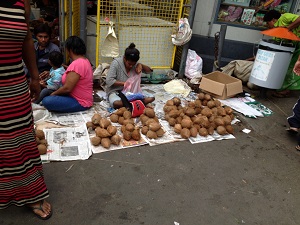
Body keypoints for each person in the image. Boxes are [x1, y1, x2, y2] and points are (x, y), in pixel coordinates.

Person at [0, 0, 52, 220]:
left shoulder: (21, 2)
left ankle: (30, 193)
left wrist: (33, 76)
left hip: (13, 86)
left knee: (18, 141)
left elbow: (26, 42)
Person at [42, 36, 93, 113]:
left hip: (80, 101)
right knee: (47, 94)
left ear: (70, 49)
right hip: (78, 98)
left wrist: (53, 94)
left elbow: (67, 88)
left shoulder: (77, 64)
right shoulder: (84, 60)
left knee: (47, 101)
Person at [106, 43, 155, 109]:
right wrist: (125, 84)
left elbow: (149, 71)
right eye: (129, 64)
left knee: (152, 98)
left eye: (133, 64)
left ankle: (130, 104)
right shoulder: (116, 63)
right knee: (116, 103)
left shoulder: (135, 64)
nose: (131, 66)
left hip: (132, 92)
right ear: (124, 58)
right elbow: (109, 81)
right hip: (116, 91)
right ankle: (135, 103)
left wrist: (141, 65)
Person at [263, 10, 300, 98]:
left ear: (273, 20)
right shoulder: (277, 31)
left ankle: (286, 90)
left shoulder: (285, 17)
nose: (268, 26)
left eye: (268, 23)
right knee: (290, 68)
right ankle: (285, 89)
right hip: (295, 47)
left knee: (294, 68)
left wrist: (288, 28)